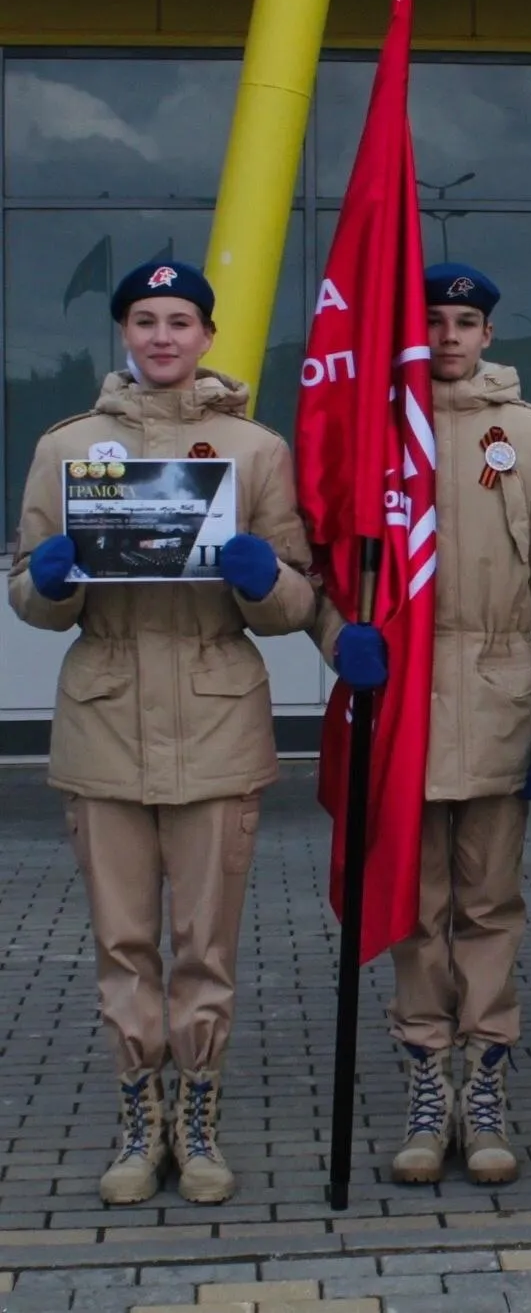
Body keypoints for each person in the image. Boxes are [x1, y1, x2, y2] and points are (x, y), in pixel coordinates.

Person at [9, 259, 317, 1206]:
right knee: (123, 943)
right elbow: (27, 592)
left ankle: (201, 1115)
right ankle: (141, 1117)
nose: (162, 336)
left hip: (215, 718)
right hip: (104, 721)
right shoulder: (69, 448)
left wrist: (263, 576)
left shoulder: (254, 451)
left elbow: (297, 600)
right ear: (125, 333)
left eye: (180, 319)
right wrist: (50, 581)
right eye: (144, 319)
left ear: (207, 335)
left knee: (206, 943)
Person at [322, 263, 531, 1187]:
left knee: (488, 908)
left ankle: (485, 1085)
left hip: (499, 699)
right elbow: (331, 570)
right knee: (414, 905)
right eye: (432, 320)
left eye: (465, 320)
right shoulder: (373, 430)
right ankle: (424, 1086)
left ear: (489, 333)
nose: (446, 336)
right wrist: (338, 639)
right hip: (397, 707)